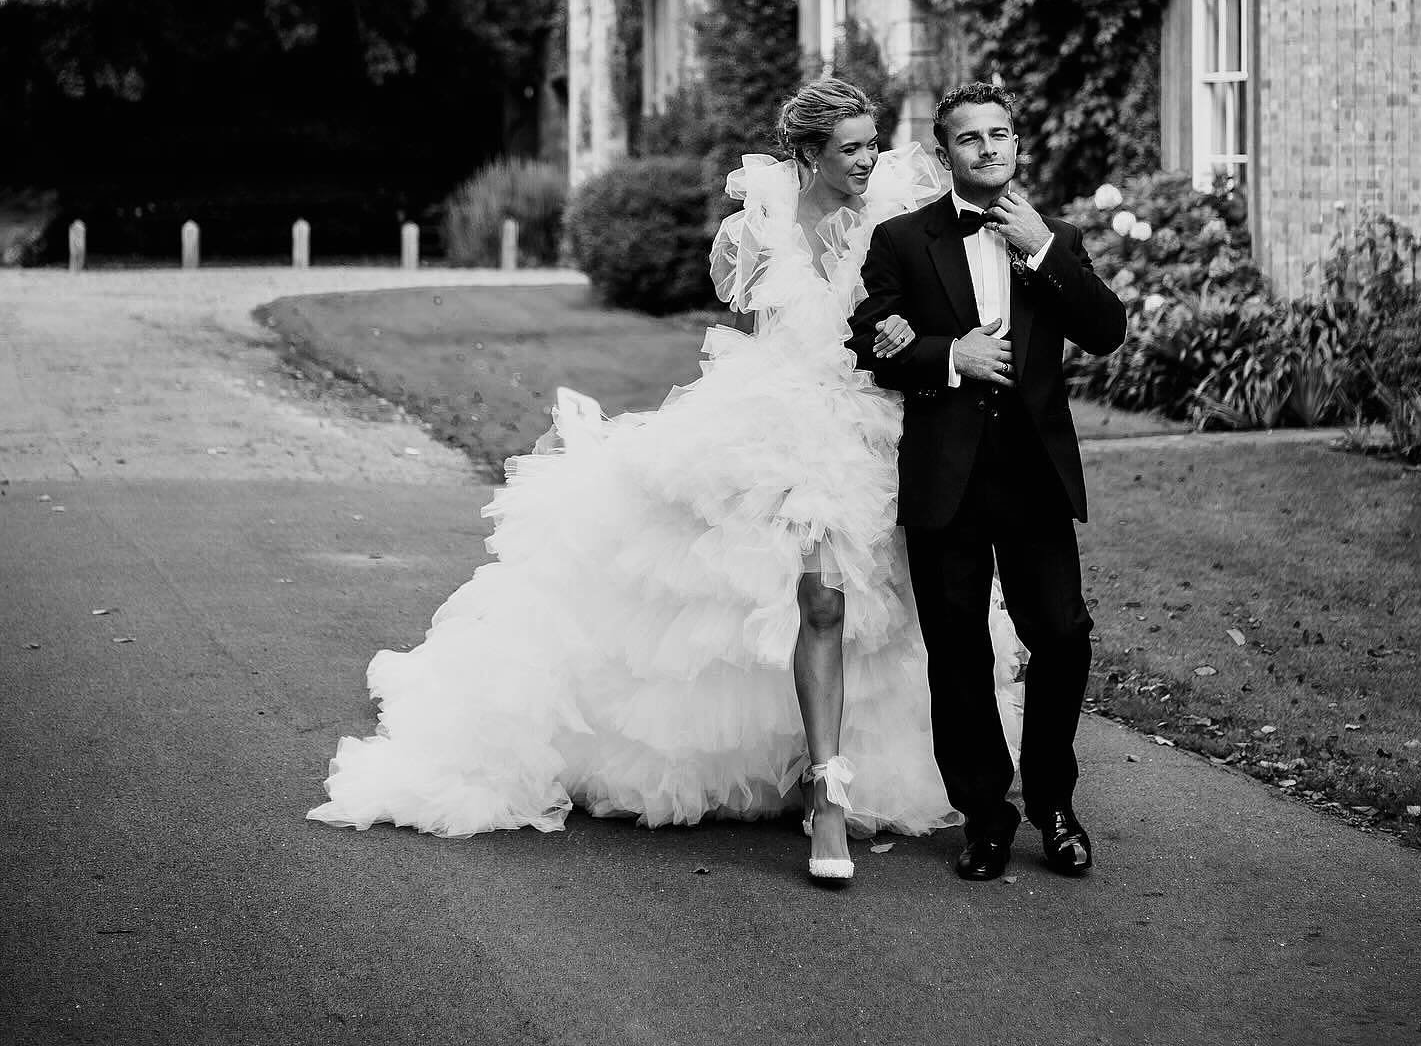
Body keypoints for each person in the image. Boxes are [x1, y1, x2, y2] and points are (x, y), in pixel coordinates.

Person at [308, 78, 1022, 884]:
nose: (867, 159)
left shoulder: (899, 207)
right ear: (808, 153)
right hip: (783, 421)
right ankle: (826, 792)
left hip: (880, 420)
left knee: (884, 613)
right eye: (850, 148)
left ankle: (825, 760)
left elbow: (933, 306)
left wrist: (913, 340)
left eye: (870, 143)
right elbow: (771, 326)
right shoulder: (762, 219)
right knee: (817, 597)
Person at [848, 82, 1126, 882]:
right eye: (970, 139)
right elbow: (870, 336)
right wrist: (946, 355)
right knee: (958, 651)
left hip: (1033, 474)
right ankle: (985, 817)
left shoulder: (1054, 236)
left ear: (1016, 142)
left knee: (1063, 634)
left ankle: (1053, 802)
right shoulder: (903, 240)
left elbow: (1105, 331)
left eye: (1000, 133)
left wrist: (1043, 249)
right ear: (945, 154)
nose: (989, 148)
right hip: (947, 477)